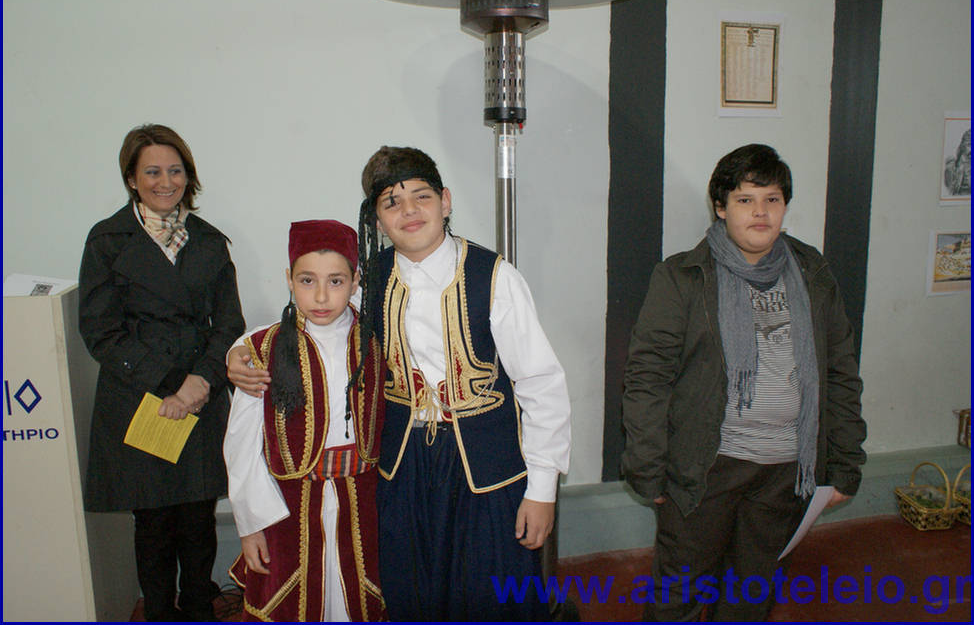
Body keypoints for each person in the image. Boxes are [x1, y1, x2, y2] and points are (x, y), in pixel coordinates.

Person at [227, 145, 572, 620]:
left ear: (445, 201)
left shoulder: (495, 277)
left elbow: (541, 384)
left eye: (421, 197)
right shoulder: (370, 279)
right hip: (403, 471)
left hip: (487, 472)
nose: (408, 211)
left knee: (490, 596)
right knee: (411, 593)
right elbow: (315, 319)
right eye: (392, 202)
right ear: (376, 219)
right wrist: (239, 351)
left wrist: (542, 488)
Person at [621, 143, 867, 621]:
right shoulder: (683, 277)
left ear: (785, 206)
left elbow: (840, 372)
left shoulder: (813, 273)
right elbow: (648, 378)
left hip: (786, 471)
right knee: (680, 596)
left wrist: (845, 461)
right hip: (704, 469)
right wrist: (648, 467)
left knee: (751, 597)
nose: (760, 212)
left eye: (772, 199)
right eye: (745, 199)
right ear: (720, 207)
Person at [79, 123, 245, 621]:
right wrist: (174, 384)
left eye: (175, 170)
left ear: (188, 176)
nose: (165, 181)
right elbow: (101, 330)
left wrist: (202, 381)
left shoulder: (209, 240)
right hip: (141, 395)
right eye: (152, 172)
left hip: (201, 391)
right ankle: (158, 612)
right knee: (152, 521)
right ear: (132, 179)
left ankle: (198, 606)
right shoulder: (107, 240)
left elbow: (229, 325)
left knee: (198, 516)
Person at [223, 219, 386, 622]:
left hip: (364, 506)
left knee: (359, 598)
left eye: (336, 281)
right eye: (307, 280)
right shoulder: (263, 348)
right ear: (289, 280)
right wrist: (250, 524)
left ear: (356, 281)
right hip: (286, 509)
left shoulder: (378, 342)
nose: (321, 296)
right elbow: (242, 445)